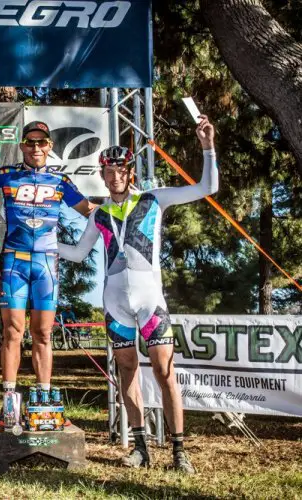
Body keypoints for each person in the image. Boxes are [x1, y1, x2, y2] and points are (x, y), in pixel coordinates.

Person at [57, 115, 218, 473]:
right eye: (109, 172)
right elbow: (78, 254)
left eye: (121, 171)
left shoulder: (154, 199)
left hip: (151, 302)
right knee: (127, 371)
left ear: (130, 172)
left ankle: (179, 451)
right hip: (115, 303)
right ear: (102, 175)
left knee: (164, 371)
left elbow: (207, 187)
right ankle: (140, 446)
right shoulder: (99, 215)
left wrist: (207, 147)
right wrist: (44, 243)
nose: (115, 177)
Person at [0, 120, 96, 414]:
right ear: (22, 145)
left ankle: (44, 399)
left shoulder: (60, 182)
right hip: (14, 262)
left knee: (43, 333)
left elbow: (89, 211)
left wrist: (128, 208)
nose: (35, 147)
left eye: (41, 142)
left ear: (49, 146)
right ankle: (9, 400)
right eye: (30, 142)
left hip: (46, 263)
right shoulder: (8, 175)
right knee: (13, 332)